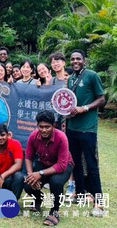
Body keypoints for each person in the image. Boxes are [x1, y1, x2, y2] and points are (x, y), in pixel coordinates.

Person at [67, 49, 106, 217]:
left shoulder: (91, 75)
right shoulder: (71, 79)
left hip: (88, 129)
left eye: (78, 59)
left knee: (91, 165)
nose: (75, 61)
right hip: (72, 128)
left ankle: (99, 203)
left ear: (84, 61)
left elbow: (102, 99)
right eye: (73, 59)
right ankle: (80, 193)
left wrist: (85, 108)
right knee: (75, 163)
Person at [24, 110, 74, 226]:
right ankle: (38, 199)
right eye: (41, 127)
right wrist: (31, 175)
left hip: (64, 165)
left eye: (47, 127)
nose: (44, 130)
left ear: (53, 126)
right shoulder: (33, 136)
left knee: (55, 182)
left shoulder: (61, 137)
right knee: (28, 184)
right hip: (45, 163)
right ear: (37, 126)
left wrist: (40, 173)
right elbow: (28, 157)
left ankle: (54, 212)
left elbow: (61, 166)